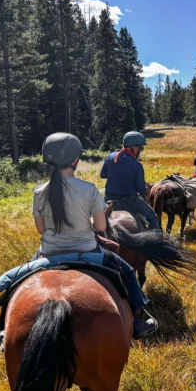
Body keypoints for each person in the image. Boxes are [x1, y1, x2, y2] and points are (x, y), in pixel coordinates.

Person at [34, 133, 158, 339]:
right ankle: (137, 318)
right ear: (75, 159)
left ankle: (3, 326)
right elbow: (100, 226)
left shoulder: (39, 191)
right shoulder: (88, 189)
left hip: (48, 251)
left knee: (16, 280)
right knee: (127, 271)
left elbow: (40, 229)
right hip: (87, 250)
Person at [100, 131, 161, 230]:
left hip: (108, 199)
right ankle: (158, 241)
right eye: (141, 148)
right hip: (129, 201)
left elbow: (103, 175)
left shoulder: (111, 156)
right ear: (133, 147)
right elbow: (141, 190)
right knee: (152, 216)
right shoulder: (137, 165)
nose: (141, 150)